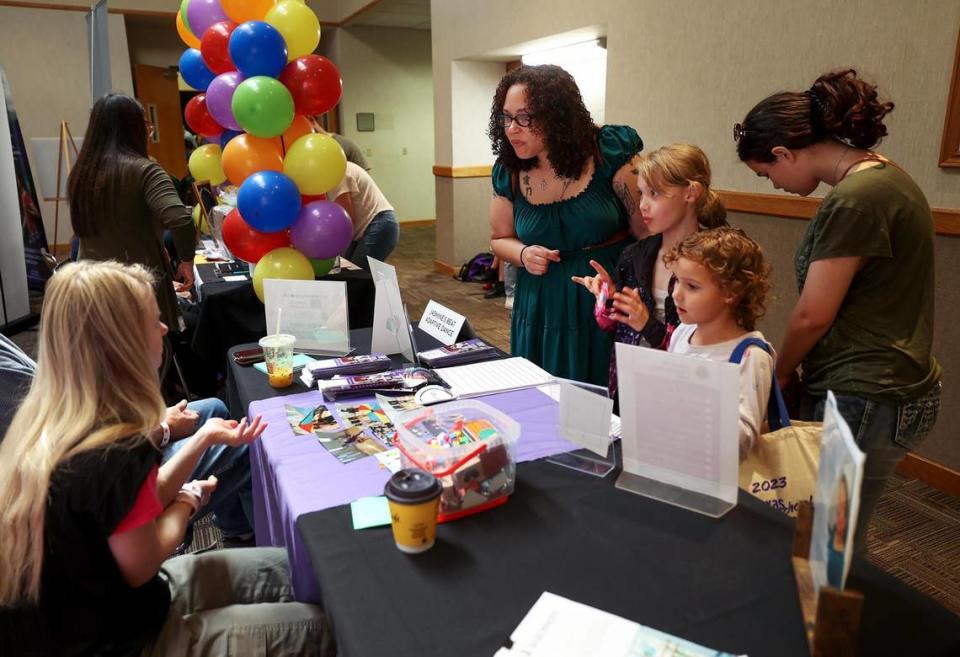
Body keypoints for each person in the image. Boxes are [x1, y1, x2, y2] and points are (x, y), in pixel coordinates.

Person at [0, 261, 331, 656]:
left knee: (308, 572)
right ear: (119, 344)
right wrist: (187, 502)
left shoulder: (51, 421)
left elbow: (131, 507)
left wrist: (203, 439)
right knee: (326, 625)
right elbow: (142, 561)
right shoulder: (114, 449)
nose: (163, 330)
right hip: (127, 640)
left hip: (110, 611)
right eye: (153, 322)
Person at [734, 69, 942, 553]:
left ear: (784, 153)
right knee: (835, 528)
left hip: (865, 389)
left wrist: (777, 374)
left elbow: (813, 314)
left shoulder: (856, 200)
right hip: (887, 380)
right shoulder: (883, 176)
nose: (775, 186)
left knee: (830, 539)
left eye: (767, 175)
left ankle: (827, 627)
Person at [488, 64, 644, 385]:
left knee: (601, 398)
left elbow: (647, 236)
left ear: (557, 116)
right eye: (506, 117)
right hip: (540, 302)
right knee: (542, 394)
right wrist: (523, 253)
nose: (512, 128)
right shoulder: (510, 170)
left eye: (525, 117)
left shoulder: (607, 152)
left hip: (603, 295)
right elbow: (500, 238)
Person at [573, 144, 728, 404]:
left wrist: (647, 324)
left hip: (687, 397)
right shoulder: (634, 255)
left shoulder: (715, 260)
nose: (642, 205)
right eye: (641, 193)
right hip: (631, 388)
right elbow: (613, 327)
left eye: (654, 194)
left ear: (690, 192)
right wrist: (608, 298)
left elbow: (707, 349)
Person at [69, 93, 196, 332]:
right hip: (137, 287)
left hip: (90, 286)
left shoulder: (81, 172)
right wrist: (187, 260)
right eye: (146, 125)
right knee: (149, 361)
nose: (149, 132)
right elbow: (180, 219)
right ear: (134, 129)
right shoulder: (146, 170)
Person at [664, 228, 773, 460]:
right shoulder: (682, 334)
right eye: (676, 281)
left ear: (731, 292)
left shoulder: (750, 356)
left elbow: (743, 439)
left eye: (692, 286)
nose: (676, 294)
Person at [329, 161, 400, 270]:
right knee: (348, 273)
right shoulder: (336, 170)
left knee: (357, 275)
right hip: (371, 225)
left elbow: (347, 220)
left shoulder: (337, 174)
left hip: (379, 223)